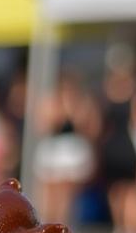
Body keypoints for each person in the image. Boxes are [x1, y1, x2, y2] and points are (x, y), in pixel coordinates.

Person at [33, 69, 99, 224]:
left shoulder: (83, 102)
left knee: (66, 191)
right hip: (53, 147)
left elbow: (90, 127)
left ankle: (62, 222)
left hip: (72, 149)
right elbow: (42, 125)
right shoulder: (50, 101)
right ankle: (48, 221)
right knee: (49, 189)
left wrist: (74, 110)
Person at [98, 44, 136, 233]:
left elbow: (98, 123)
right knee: (129, 189)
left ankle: (120, 228)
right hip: (127, 145)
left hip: (111, 145)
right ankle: (128, 229)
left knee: (115, 190)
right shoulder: (134, 91)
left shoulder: (107, 90)